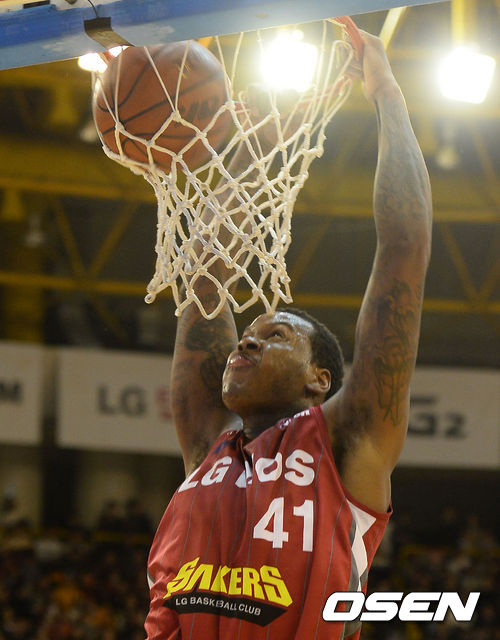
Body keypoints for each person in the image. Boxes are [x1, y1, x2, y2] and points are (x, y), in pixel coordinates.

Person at [145, 29, 432, 640]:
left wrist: (386, 93)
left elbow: (404, 247)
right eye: (248, 333)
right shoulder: (209, 442)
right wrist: (255, 145)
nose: (245, 342)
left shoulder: (349, 440)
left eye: (274, 335)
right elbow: (207, 271)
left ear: (319, 380)